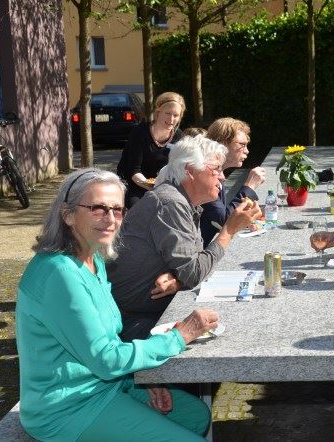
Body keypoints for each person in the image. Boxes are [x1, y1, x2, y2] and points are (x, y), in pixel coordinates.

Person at [15, 168, 218, 441]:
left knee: (196, 416)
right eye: (98, 209)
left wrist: (138, 376)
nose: (110, 219)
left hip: (104, 386)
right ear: (68, 215)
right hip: (67, 409)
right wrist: (180, 336)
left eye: (118, 210)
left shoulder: (94, 258)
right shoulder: (59, 273)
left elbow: (107, 342)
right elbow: (106, 359)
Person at [108, 135, 261, 341]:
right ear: (190, 170)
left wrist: (178, 280)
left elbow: (190, 268)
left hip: (149, 312)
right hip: (134, 324)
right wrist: (229, 230)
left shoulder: (181, 200)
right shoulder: (170, 203)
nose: (222, 177)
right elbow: (194, 273)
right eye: (216, 169)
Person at [200, 117, 266, 246]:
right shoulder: (204, 173)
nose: (247, 151)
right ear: (223, 143)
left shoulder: (217, 172)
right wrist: (249, 186)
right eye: (242, 144)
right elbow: (224, 220)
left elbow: (219, 215)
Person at [117, 91, 186, 208]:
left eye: (176, 115)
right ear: (158, 112)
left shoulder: (178, 136)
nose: (171, 119)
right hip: (136, 185)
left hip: (164, 187)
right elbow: (134, 171)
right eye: (168, 113)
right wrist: (155, 188)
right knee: (140, 208)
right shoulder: (140, 132)